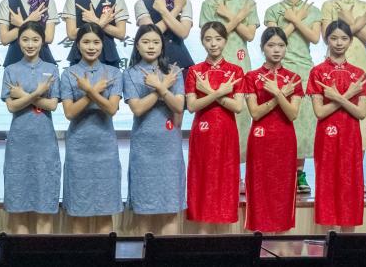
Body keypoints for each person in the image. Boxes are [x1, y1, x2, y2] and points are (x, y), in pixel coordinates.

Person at [198, 0, 257, 191]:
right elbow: (212, 35)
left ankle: (239, 175)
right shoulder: (209, 4)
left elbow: (250, 35)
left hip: (240, 64)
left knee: (241, 120)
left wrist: (231, 16)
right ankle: (216, 171)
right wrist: (236, 16)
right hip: (214, 67)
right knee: (216, 119)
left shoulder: (248, 3)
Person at [59, 23, 123, 233]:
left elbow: (111, 109)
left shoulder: (114, 73)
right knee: (78, 210)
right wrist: (92, 92)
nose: (91, 47)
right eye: (86, 42)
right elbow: (70, 112)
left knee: (105, 210)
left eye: (96, 42)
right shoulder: (69, 74)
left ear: (103, 44)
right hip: (78, 147)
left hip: (105, 146)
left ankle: (105, 253)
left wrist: (90, 91)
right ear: (78, 45)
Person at [307, 20, 366, 231]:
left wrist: (341, 97)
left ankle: (347, 243)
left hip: (351, 138)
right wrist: (347, 96)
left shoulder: (359, 75)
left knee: (350, 186)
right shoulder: (317, 72)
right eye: (334, 38)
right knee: (327, 184)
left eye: (344, 38)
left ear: (350, 41)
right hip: (326, 138)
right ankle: (329, 241)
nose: (339, 43)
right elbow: (320, 112)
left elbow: (360, 113)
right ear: (326, 40)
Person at [123, 25, 186, 234]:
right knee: (144, 209)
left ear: (162, 46)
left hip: (169, 148)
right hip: (143, 149)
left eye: (155, 42)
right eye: (145, 42)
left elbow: (178, 106)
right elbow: (138, 108)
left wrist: (159, 86)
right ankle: (146, 253)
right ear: (137, 45)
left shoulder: (174, 71)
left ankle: (167, 253)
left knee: (170, 209)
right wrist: (164, 88)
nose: (151, 46)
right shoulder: (130, 73)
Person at [263, 0, 321, 194]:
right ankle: (278, 170)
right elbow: (273, 40)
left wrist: (297, 20)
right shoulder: (273, 10)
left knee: (302, 123)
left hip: (304, 69)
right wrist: (294, 20)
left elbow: (315, 38)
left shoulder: (313, 11)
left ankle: (299, 173)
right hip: (278, 69)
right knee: (278, 120)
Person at [321, 0, 366, 190]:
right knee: (333, 122)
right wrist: (356, 24)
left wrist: (348, 22)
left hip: (360, 69)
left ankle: (356, 175)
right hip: (332, 70)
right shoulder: (329, 5)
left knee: (360, 124)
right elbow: (327, 37)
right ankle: (334, 176)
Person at [1, 21, 60, 234]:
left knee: (45, 203)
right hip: (19, 143)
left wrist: (24, 95)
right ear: (18, 41)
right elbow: (12, 106)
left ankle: (42, 252)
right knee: (18, 204)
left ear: (43, 41)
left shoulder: (52, 69)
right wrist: (37, 93)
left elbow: (52, 105)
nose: (30, 44)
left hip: (45, 142)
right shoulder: (10, 70)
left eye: (35, 39)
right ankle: (21, 252)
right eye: (25, 39)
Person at [242, 27, 303, 233]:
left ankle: (282, 240)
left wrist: (277, 93)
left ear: (286, 48)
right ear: (262, 48)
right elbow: (255, 113)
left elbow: (292, 114)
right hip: (260, 140)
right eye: (271, 45)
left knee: (283, 189)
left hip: (285, 139)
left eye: (281, 45)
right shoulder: (251, 77)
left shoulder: (294, 79)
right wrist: (280, 96)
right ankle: (260, 238)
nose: (276, 50)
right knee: (259, 188)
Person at [185, 21, 244, 232]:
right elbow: (192, 106)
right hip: (202, 133)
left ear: (225, 41)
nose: (213, 44)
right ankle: (202, 238)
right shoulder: (194, 71)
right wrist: (219, 92)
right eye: (208, 39)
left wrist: (209, 92)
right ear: (202, 42)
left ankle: (224, 239)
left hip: (227, 132)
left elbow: (238, 107)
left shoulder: (236, 71)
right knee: (202, 180)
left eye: (218, 39)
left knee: (225, 181)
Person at [135, 0, 194, 73]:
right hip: (152, 64)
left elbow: (183, 33)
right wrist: (176, 9)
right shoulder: (141, 4)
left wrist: (166, 11)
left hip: (181, 63)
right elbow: (151, 34)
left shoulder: (184, 1)